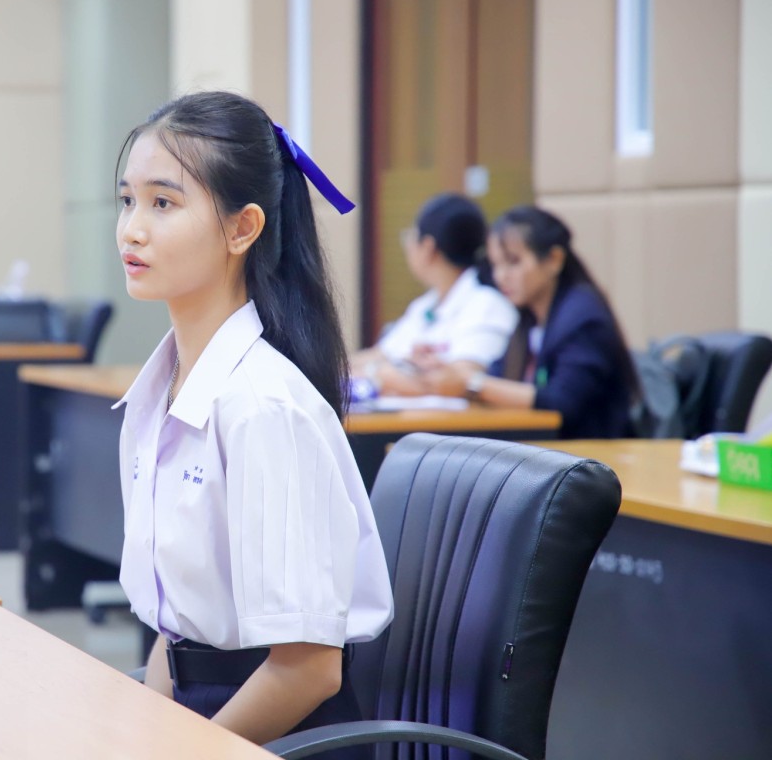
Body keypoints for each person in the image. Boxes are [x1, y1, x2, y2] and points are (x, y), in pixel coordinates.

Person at [113, 90, 392, 752]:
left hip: (280, 736)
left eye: (162, 203)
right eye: (127, 201)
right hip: (205, 719)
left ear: (242, 229)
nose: (131, 230)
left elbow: (308, 671)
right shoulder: (162, 391)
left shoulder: (262, 407)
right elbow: (177, 628)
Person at [424, 205, 637, 439]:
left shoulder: (583, 317)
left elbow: (561, 402)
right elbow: (499, 375)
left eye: (513, 262)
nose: (501, 276)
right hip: (545, 452)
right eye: (496, 265)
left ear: (554, 260)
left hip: (592, 455)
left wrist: (472, 384)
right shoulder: (527, 318)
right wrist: (442, 369)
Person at [349, 193, 516, 396]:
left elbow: (456, 383)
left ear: (428, 247)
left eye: (410, 237)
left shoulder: (488, 306)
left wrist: (377, 373)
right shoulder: (425, 305)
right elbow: (379, 355)